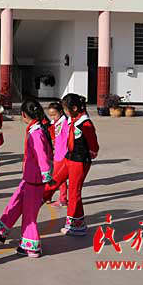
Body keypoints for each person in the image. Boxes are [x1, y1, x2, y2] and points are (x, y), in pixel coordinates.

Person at [0, 99, 53, 258]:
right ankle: (1, 231)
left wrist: (46, 176)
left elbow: (42, 156)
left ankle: (31, 247)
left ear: (23, 115)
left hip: (35, 179)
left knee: (29, 214)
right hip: (29, 177)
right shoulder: (37, 128)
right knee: (15, 202)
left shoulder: (36, 133)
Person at [41, 94, 98, 236]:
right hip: (69, 158)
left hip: (79, 161)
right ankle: (36, 201)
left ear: (74, 108)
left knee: (73, 192)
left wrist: (86, 156)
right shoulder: (72, 119)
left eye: (66, 109)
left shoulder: (85, 124)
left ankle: (76, 225)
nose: (64, 112)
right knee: (54, 181)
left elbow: (94, 147)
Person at [46, 101, 68, 208]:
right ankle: (50, 197)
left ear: (61, 112)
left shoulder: (65, 123)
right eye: (50, 115)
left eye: (54, 114)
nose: (52, 117)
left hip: (63, 154)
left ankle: (61, 199)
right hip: (57, 153)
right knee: (56, 177)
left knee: (59, 178)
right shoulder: (55, 123)